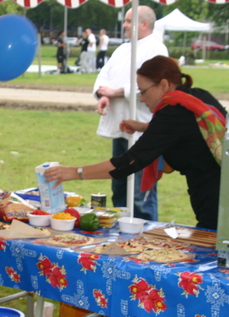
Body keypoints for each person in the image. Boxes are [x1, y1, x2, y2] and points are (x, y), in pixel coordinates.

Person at [46, 55, 226, 229]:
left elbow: (130, 161)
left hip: (215, 194)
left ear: (164, 85)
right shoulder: (198, 97)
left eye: (143, 91)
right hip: (227, 184)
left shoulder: (173, 110)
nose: (141, 98)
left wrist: (75, 172)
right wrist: (145, 127)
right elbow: (188, 132)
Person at [93, 5, 168, 222]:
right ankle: (119, 227)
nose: (124, 25)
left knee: (140, 189)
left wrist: (117, 92)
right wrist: (103, 95)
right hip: (120, 127)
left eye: (128, 21)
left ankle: (145, 230)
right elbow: (104, 76)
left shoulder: (157, 49)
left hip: (144, 129)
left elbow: (155, 85)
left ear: (144, 23)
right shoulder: (122, 49)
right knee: (119, 181)